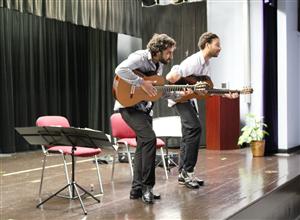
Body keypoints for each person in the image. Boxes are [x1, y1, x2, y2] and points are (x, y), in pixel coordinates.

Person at [166, 32, 239, 189]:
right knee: (195, 127)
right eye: (217, 45)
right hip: (179, 99)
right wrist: (183, 88)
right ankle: (188, 171)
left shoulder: (206, 64)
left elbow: (207, 90)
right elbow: (171, 78)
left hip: (189, 100)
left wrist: (226, 95)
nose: (220, 48)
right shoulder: (193, 61)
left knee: (188, 133)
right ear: (207, 44)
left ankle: (183, 174)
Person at [114, 33, 176, 204]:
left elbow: (156, 91)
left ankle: (137, 190)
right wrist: (141, 82)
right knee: (150, 139)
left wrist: (177, 95)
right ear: (158, 50)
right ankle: (148, 187)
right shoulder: (140, 57)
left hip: (144, 109)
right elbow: (120, 70)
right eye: (168, 53)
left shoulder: (159, 66)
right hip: (128, 106)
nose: (170, 56)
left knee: (143, 146)